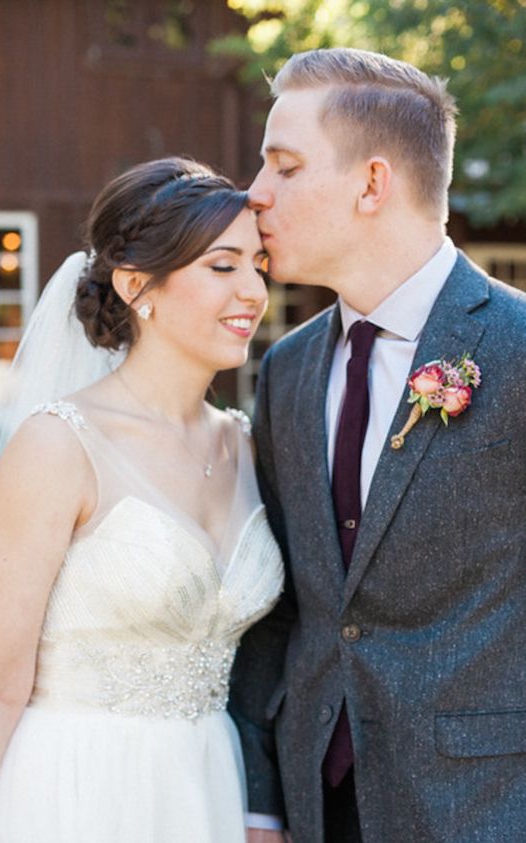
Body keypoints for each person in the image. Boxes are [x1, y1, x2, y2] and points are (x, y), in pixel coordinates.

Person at [230, 47, 526, 843]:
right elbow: (279, 604)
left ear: (372, 183)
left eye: (283, 167)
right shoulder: (286, 372)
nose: (254, 193)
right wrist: (261, 800)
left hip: (487, 807)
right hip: (315, 807)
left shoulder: (519, 348)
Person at [0, 156, 284, 843]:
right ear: (139, 285)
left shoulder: (247, 446)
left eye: (258, 264)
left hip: (208, 788)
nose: (254, 290)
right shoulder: (58, 446)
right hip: (74, 792)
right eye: (222, 266)